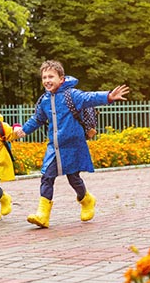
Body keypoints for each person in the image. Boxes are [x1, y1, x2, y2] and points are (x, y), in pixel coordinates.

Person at [15, 60, 129, 228]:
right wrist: (24, 130)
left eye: (51, 76)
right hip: (55, 147)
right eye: (44, 77)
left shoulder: (71, 95)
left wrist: (108, 96)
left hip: (73, 145)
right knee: (47, 176)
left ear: (61, 79)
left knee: (73, 178)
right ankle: (43, 215)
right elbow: (38, 119)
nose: (47, 80)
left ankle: (87, 200)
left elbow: (89, 98)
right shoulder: (44, 100)